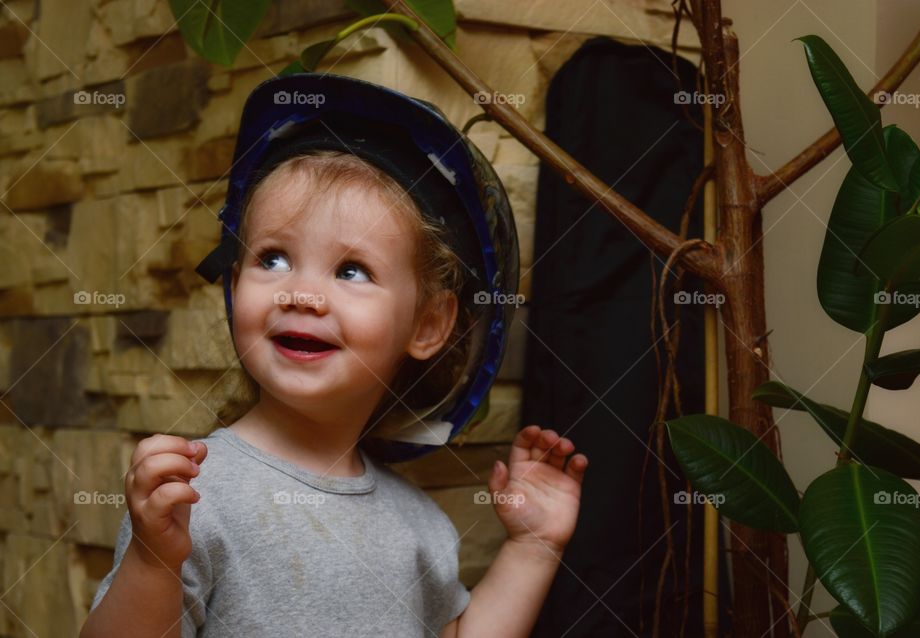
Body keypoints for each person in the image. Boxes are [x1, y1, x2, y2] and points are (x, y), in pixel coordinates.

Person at [80, 73, 589, 638]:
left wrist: (534, 547)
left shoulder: (419, 525)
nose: (301, 294)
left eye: (351, 270)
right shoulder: (193, 495)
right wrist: (153, 564)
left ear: (428, 324)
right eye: (272, 258)